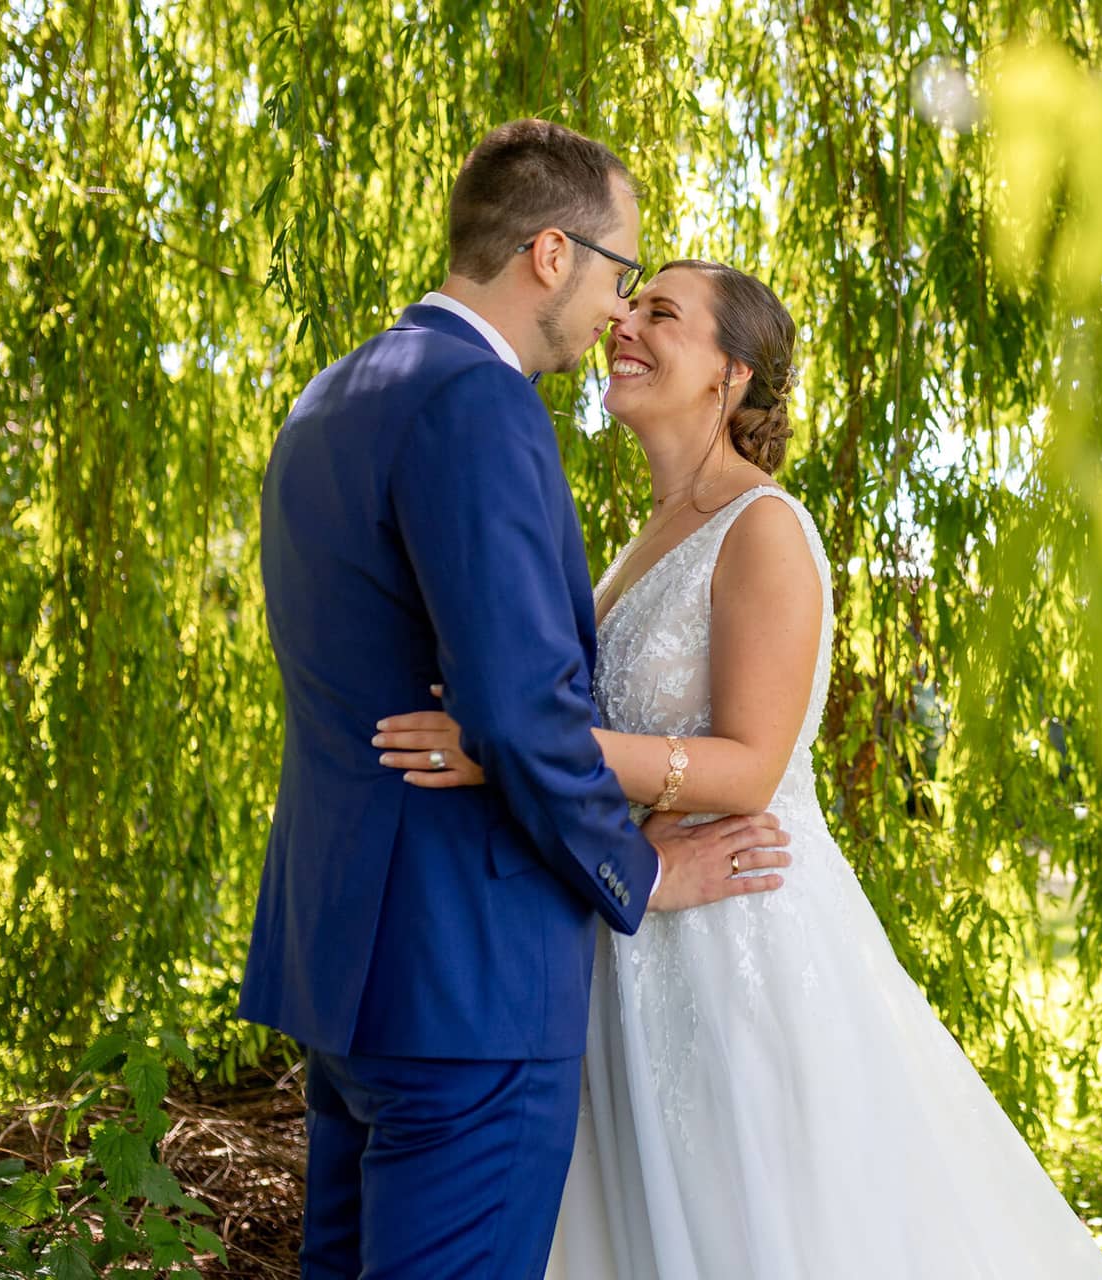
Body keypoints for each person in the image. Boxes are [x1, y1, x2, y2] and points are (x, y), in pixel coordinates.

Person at [373, 258, 1102, 1276]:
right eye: (628, 305)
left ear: (731, 374)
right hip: (635, 925)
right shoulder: (645, 535)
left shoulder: (765, 527)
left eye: (660, 313)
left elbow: (750, 768)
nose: (623, 324)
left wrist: (508, 748)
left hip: (740, 933)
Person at [239, 121, 792, 1280]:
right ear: (552, 253)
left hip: (347, 964)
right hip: (468, 981)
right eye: (620, 273)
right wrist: (638, 870)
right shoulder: (478, 404)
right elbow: (513, 706)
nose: (617, 313)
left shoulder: (330, 397)